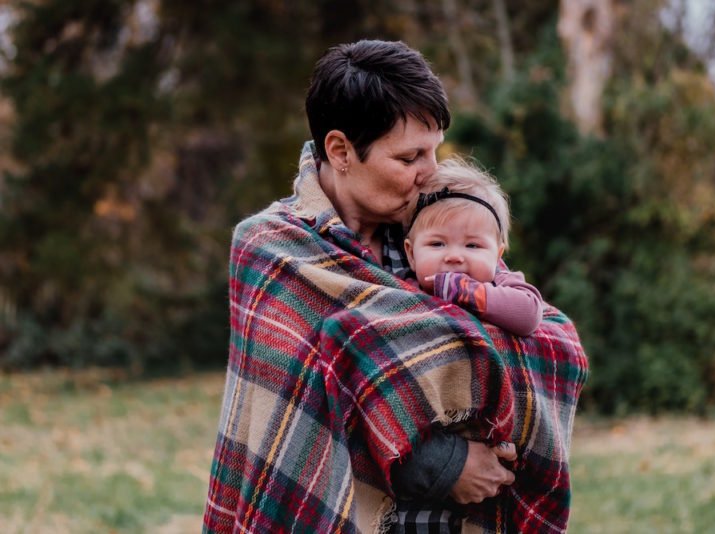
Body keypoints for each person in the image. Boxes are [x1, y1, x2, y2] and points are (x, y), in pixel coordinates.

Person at [203, 39, 588, 534]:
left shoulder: (434, 234)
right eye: (409, 158)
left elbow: (540, 333)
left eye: (434, 151)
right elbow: (302, 412)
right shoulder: (272, 250)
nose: (430, 172)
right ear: (340, 151)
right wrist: (445, 465)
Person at [403, 157, 544, 337]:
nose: (454, 256)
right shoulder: (404, 290)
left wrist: (463, 291)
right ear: (411, 255)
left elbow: (529, 315)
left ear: (497, 256)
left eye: (472, 245)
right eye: (437, 244)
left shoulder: (502, 283)